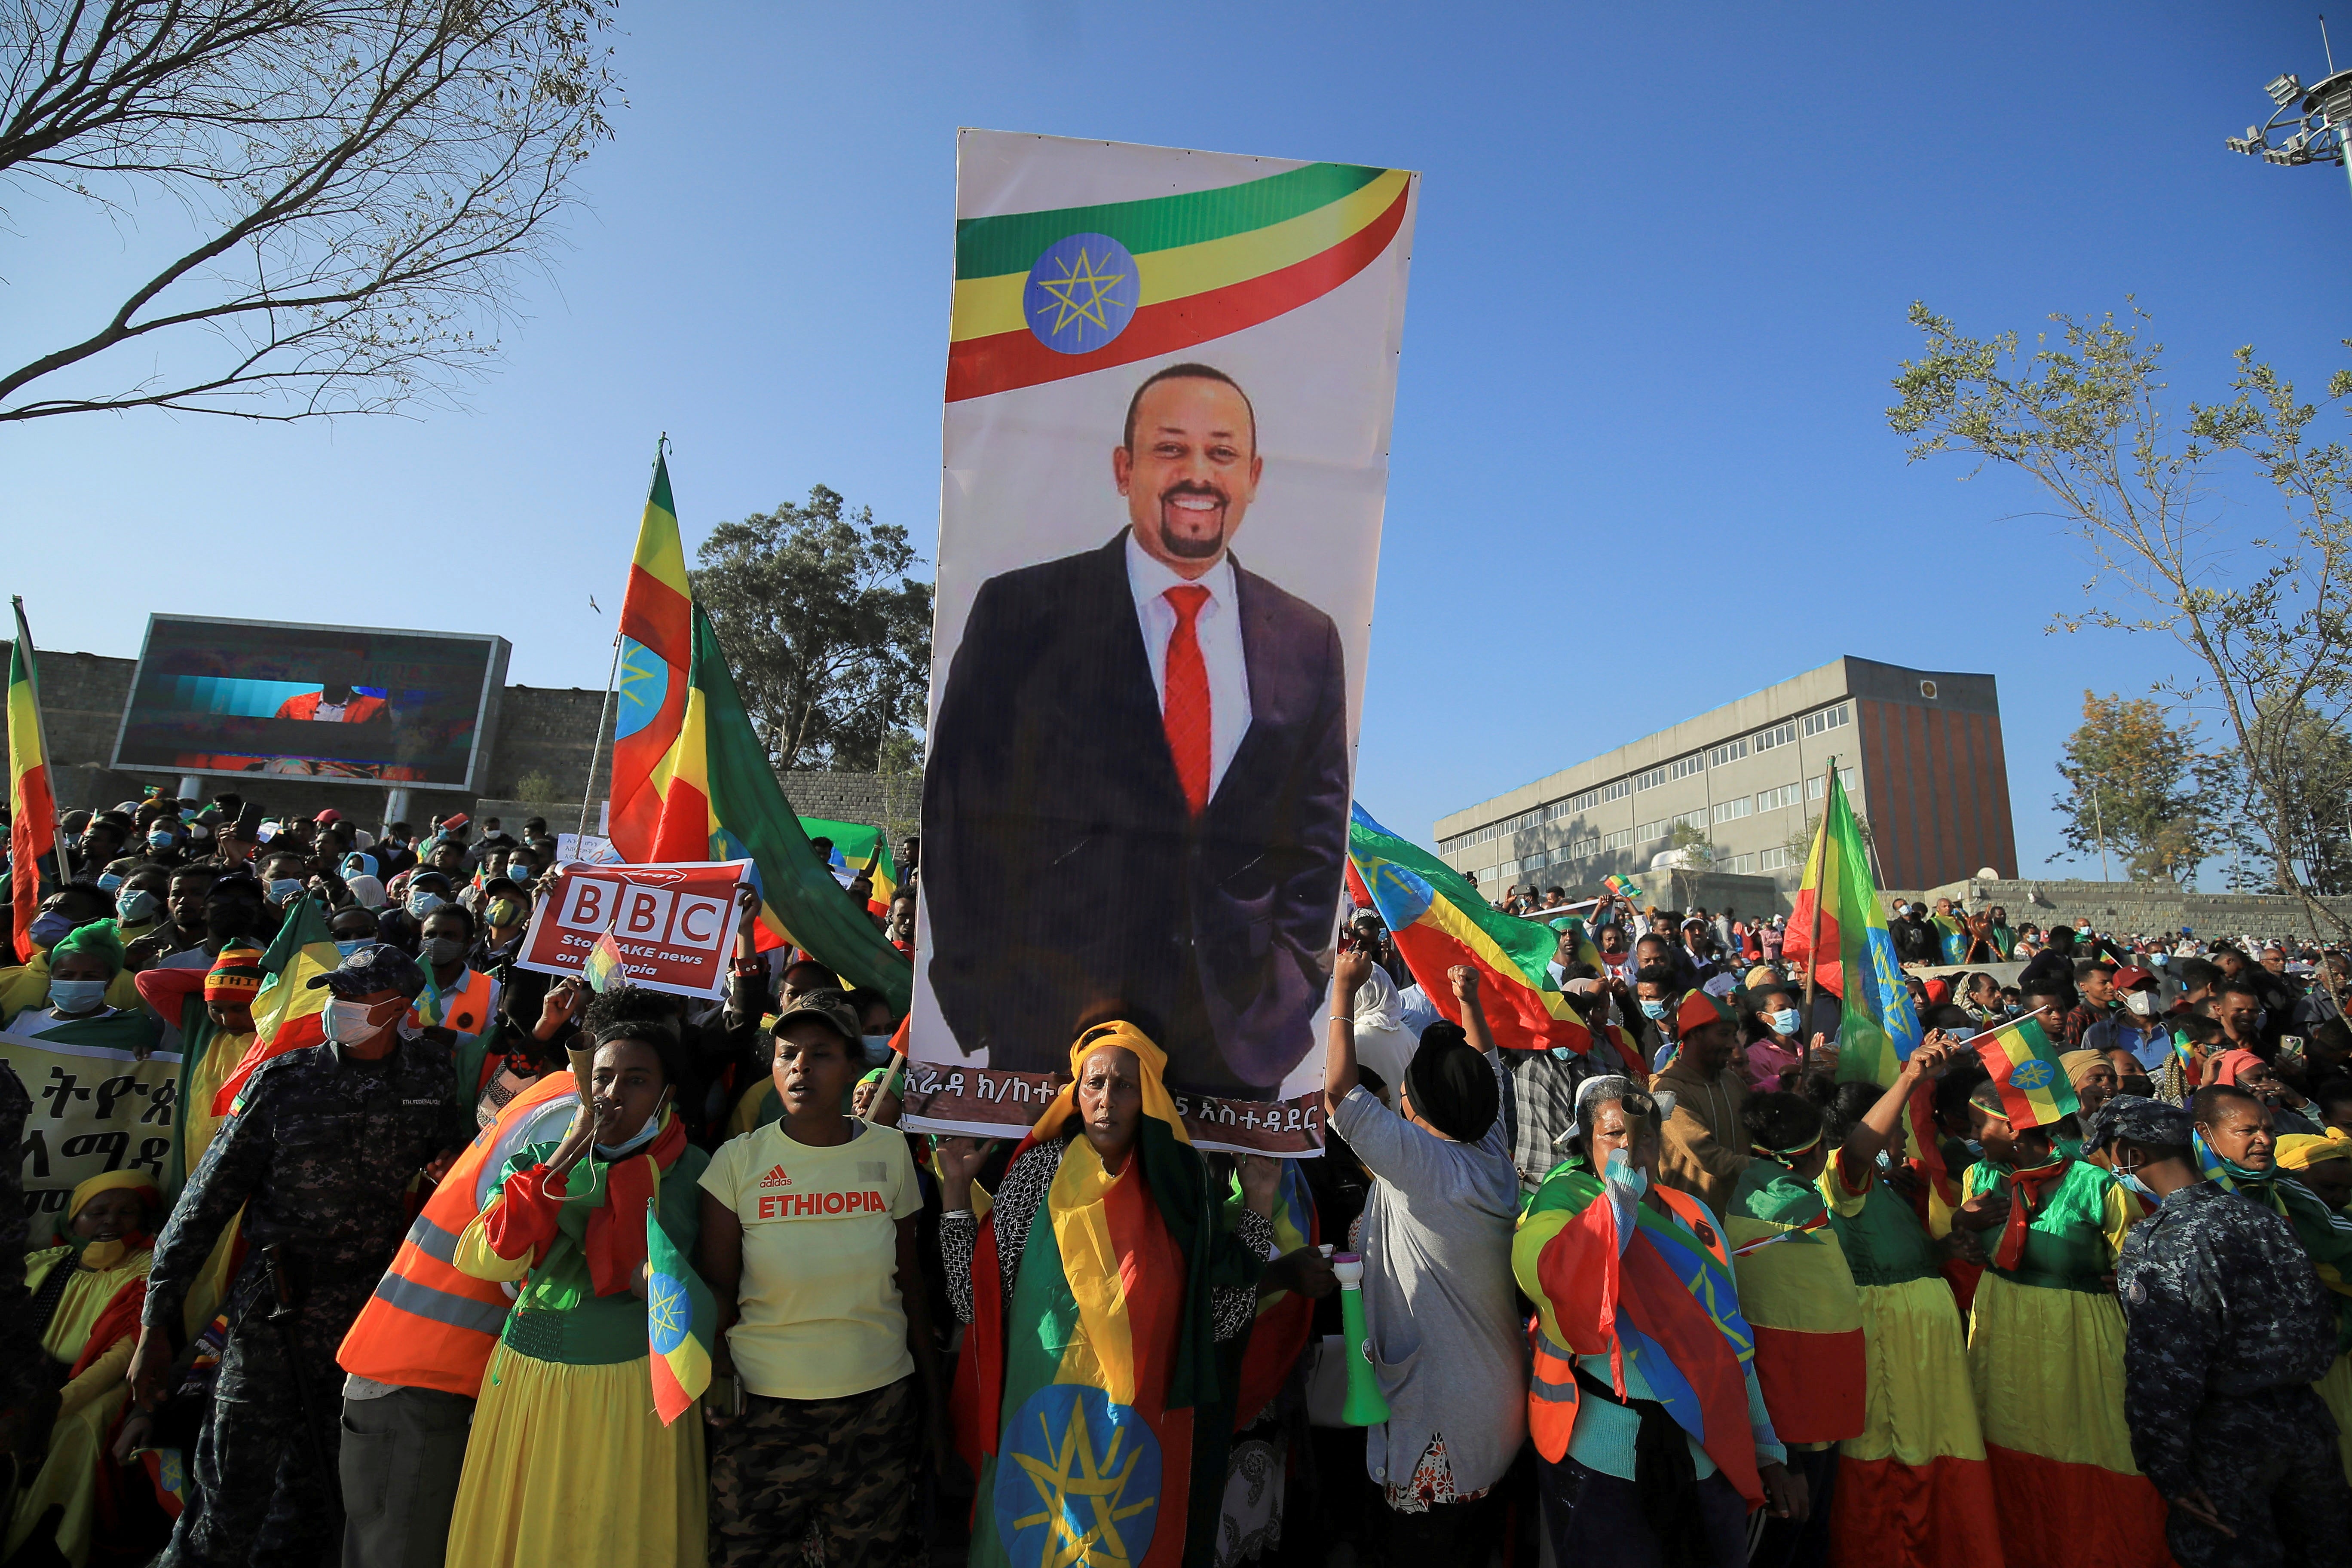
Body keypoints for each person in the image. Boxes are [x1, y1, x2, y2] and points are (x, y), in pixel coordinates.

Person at [922, 362, 1350, 1098]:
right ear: (1123, 469)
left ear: (1252, 475)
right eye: (1170, 448)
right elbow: (958, 812)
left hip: (1234, 1048)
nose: (1197, 474)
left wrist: (1287, 993)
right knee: (1047, 1218)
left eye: (1220, 453)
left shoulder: (1308, 640)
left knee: (1212, 1220)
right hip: (1054, 1036)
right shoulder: (1022, 613)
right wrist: (987, 993)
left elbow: (1317, 834)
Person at [129, 944, 470, 1568]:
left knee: (320, 1493)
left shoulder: (429, 1077)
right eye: (336, 996)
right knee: (229, 1489)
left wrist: (446, 1164)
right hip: (277, 1307)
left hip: (365, 1311)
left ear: (397, 1009)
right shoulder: (286, 1081)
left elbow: (448, 1156)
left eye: (356, 999)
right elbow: (205, 1202)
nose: (339, 1009)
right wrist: (157, 1320)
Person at [938, 1017, 1292, 1568]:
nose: (1107, 1099)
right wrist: (956, 1192)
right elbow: (971, 1303)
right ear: (1075, 1095)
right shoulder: (1035, 1173)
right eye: (1094, 1083)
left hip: (1141, 1432)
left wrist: (1261, 1203)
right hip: (1039, 1426)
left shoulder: (1182, 1186)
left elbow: (1222, 1321)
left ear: (1148, 1097)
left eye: (1125, 1086)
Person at [441, 989, 710, 1568]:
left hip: (638, 1389)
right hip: (530, 1381)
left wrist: (662, 1283)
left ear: (667, 1092)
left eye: (636, 1081)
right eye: (604, 1079)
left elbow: (716, 1290)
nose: (613, 1095)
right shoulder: (537, 1161)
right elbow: (489, 1258)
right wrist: (569, 1150)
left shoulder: (698, 1172)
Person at [1513, 1074, 1803, 1567]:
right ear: (1586, 1144)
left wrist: (1767, 1447)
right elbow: (1556, 1279)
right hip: (1604, 1461)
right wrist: (1616, 1211)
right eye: (1614, 1136)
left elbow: (1731, 1338)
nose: (1632, 1150)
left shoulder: (1695, 1218)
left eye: (1645, 1137)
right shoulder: (1559, 1209)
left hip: (1708, 1452)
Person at [695, 989, 941, 1568]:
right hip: (762, 1416)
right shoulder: (735, 1163)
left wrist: (934, 1407)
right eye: (787, 1054)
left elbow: (911, 1285)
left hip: (877, 1414)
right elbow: (718, 1292)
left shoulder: (890, 1153)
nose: (801, 1067)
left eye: (822, 1053)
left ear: (855, 1067)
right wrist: (717, 1378)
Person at [1320, 959, 1524, 1562]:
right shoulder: (1489, 1150)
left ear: (1419, 1109)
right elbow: (1487, 1072)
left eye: (1404, 1092)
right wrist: (1469, 1003)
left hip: (1440, 1428)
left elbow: (1339, 1095)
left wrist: (1342, 991)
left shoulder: (1421, 1167)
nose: (1399, 1099)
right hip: (1495, 1410)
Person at [2097, 1094, 2352, 1566]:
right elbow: (2316, 1323)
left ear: (2130, 1155)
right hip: (2304, 1423)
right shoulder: (2263, 1218)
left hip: (2226, 1439)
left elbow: (2164, 1365)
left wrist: (2165, 1466)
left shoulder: (2164, 1237)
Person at [1948, 1077, 2168, 1567]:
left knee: (2088, 1437)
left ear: (2013, 1127)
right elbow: (1965, 1245)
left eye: (1979, 1123)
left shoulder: (2094, 1184)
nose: (1971, 1133)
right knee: (2006, 1429)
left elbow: (2138, 1264)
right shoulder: (1979, 1178)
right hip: (2002, 1321)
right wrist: (1962, 1229)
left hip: (2077, 1332)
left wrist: (2126, 1276)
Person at [1811, 1062, 2003, 1568]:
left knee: (1938, 1451)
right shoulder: (1841, 1177)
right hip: (1889, 1348)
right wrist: (1910, 1079)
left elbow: (1911, 1257)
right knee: (1896, 1465)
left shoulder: (1889, 1188)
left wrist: (1951, 1243)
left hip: (1923, 1352)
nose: (1903, 1140)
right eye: (1896, 1129)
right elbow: (1857, 1151)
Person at [1725, 1090, 1871, 1568]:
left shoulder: (1757, 1189)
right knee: (1783, 1539)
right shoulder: (1792, 1214)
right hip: (1785, 1415)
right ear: (1813, 1153)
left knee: (1808, 1528)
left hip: (1809, 1399)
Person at [6, 1172, 160, 1566]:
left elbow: (126, 1353)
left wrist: (56, 1404)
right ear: (74, 1221)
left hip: (97, 1386)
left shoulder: (149, 1270)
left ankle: (48, 1545)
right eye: (98, 1212)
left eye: (127, 1212)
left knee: (82, 1424)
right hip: (28, 1382)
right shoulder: (43, 1263)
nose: (112, 1221)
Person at [1654, 991, 1751, 1215]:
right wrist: (1762, 1169)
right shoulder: (1668, 1090)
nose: (1731, 1045)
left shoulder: (1731, 1081)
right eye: (1723, 1035)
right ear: (1696, 1034)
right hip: (1695, 1223)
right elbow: (1707, 1155)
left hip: (1742, 1217)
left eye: (1734, 1036)